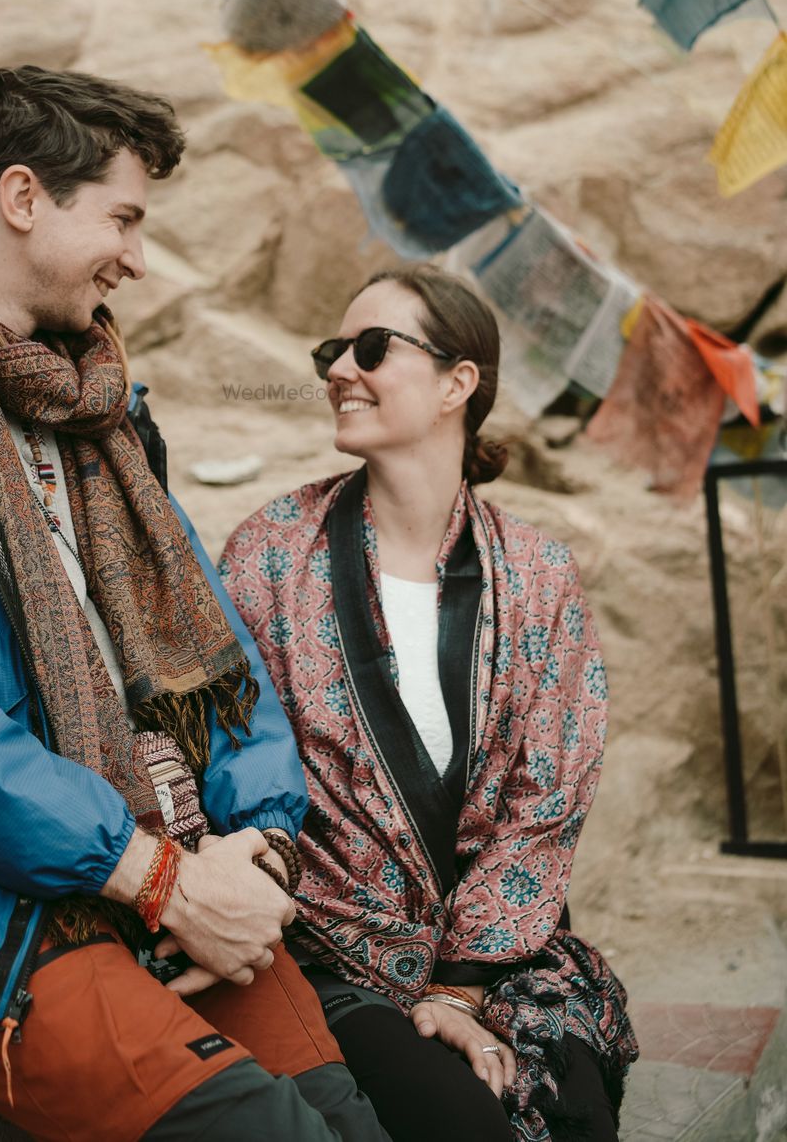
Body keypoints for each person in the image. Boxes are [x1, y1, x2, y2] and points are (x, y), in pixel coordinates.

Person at [0, 66, 390, 1142]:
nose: (139, 259)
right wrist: (154, 877)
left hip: (148, 857)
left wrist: (256, 840)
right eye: (121, 217)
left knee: (343, 1114)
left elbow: (218, 650)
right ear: (23, 199)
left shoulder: (102, 411)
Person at [219, 264, 639, 1142]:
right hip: (328, 953)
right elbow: (229, 754)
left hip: (495, 955)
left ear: (458, 383)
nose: (339, 370)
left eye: (372, 349)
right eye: (333, 351)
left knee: (577, 1120)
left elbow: (548, 800)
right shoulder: (268, 554)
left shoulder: (537, 574)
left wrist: (461, 985)